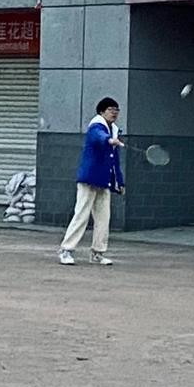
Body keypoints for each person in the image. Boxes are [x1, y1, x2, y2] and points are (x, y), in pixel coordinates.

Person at [58, 97, 125, 266]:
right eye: (111, 110)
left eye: (116, 110)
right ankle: (66, 250)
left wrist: (119, 181)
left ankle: (97, 253)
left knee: (103, 218)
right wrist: (109, 140)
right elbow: (98, 137)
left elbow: (114, 161)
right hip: (89, 179)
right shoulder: (96, 126)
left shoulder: (114, 131)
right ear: (102, 111)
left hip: (104, 181)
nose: (114, 113)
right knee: (81, 215)